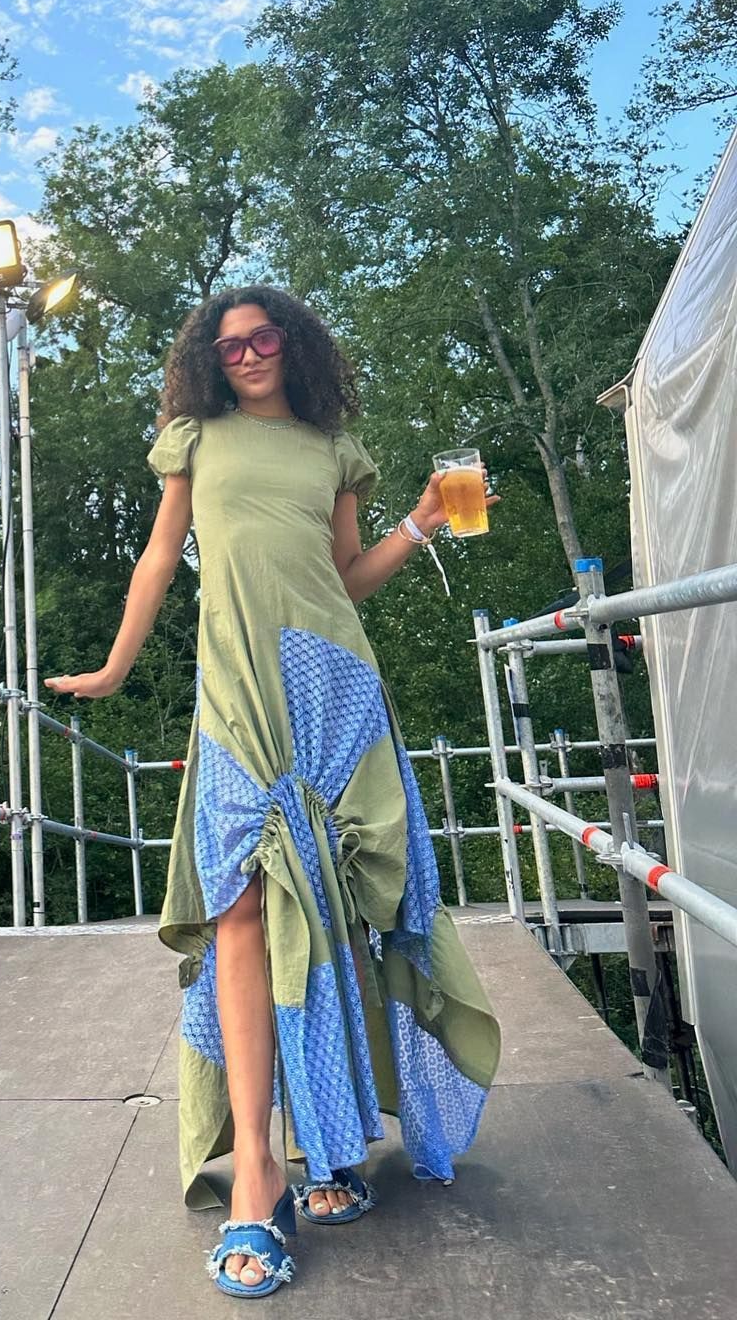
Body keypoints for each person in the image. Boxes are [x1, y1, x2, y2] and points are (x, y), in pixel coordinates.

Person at [44, 285, 502, 1299]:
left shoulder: (335, 451)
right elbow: (160, 555)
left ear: (294, 344)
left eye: (263, 338)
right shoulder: (194, 439)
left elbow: (344, 577)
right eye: (229, 345)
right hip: (238, 692)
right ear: (209, 360)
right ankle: (257, 1172)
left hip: (335, 684)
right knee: (241, 907)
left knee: (333, 908)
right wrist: (116, 668)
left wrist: (424, 522)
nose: (248, 354)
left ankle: (328, 1139)